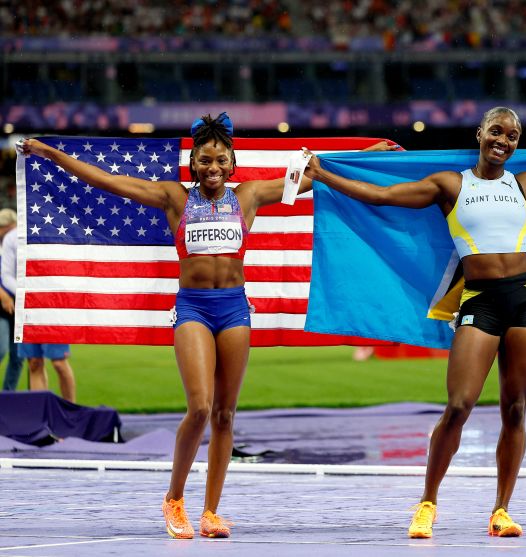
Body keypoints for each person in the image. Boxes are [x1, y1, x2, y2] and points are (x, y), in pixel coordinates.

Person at [303, 106, 526, 538]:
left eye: (512, 135)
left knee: (515, 410)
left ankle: (501, 510)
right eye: (496, 131)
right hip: (479, 300)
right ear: (480, 133)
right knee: (459, 405)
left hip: (524, 299)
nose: (503, 140)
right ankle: (427, 503)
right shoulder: (451, 184)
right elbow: (383, 197)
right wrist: (325, 175)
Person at [19, 113, 395, 540]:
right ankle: (174, 498)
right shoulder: (173, 198)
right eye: (204, 161)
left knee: (224, 415)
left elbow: (316, 177)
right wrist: (50, 153)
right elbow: (106, 180)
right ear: (192, 164)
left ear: (232, 164)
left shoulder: (249, 196)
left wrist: (369, 156)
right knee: (199, 407)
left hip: (234, 310)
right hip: (194, 309)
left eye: (219, 161)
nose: (212, 168)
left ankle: (211, 512)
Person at [0, 208, 26, 391]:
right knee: (0, 350)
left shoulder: (19, 242)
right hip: (2, 308)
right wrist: (2, 294)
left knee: (18, 357)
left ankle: (7, 398)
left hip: (21, 308)